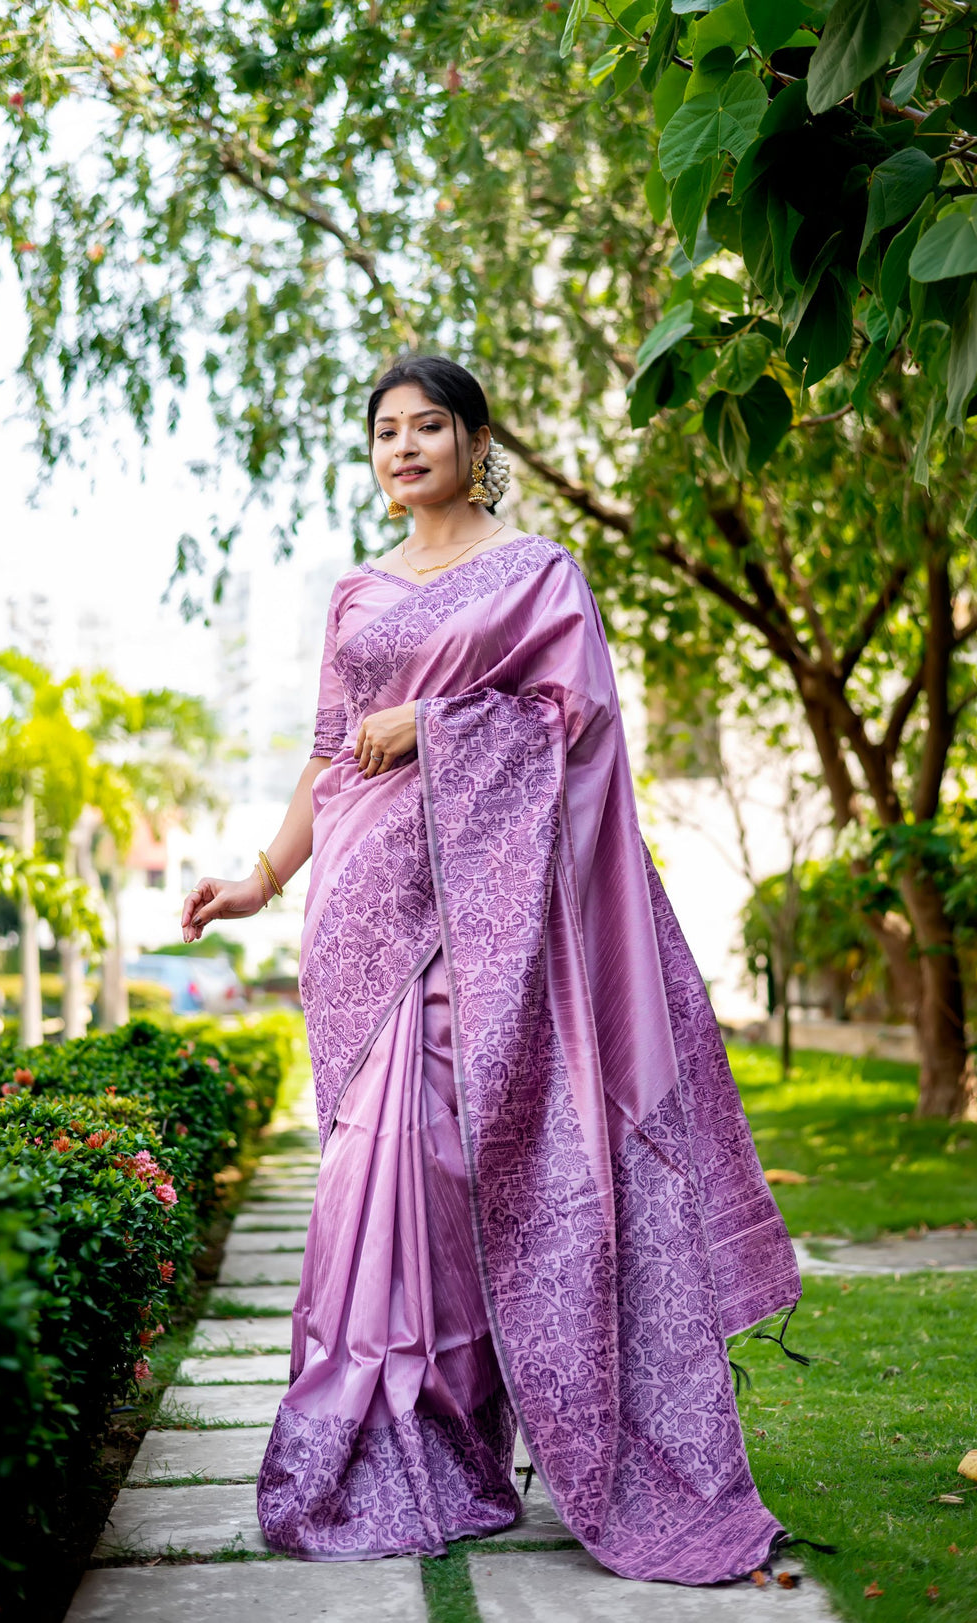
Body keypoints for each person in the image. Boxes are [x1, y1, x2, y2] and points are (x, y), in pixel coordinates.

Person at [179, 355, 803, 1584]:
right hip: (363, 919)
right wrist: (260, 876)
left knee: (465, 1177)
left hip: (494, 924)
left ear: (476, 442)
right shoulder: (357, 595)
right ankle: (378, 1449)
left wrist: (442, 718)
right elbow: (324, 757)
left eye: (428, 427)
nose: (403, 448)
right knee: (377, 1181)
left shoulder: (535, 575)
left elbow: (580, 727)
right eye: (383, 432)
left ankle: (465, 1445)